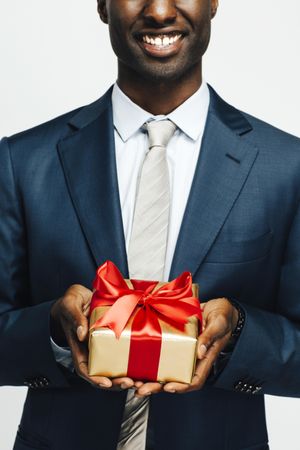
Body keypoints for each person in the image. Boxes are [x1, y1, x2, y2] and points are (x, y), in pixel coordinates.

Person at [1, 0, 300, 449]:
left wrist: (240, 331)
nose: (159, 11)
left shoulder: (285, 169)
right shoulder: (23, 162)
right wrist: (52, 331)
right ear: (102, 5)